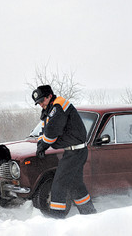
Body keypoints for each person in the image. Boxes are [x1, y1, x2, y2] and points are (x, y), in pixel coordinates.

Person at [32, 85, 96, 218]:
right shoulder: (49, 110)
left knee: (59, 184)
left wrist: (44, 145)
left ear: (49, 96)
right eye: (38, 103)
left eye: (42, 101)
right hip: (72, 152)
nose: (41, 105)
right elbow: (43, 130)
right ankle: (90, 213)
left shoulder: (59, 106)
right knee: (75, 185)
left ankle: (57, 218)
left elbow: (52, 131)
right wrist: (40, 144)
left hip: (76, 152)